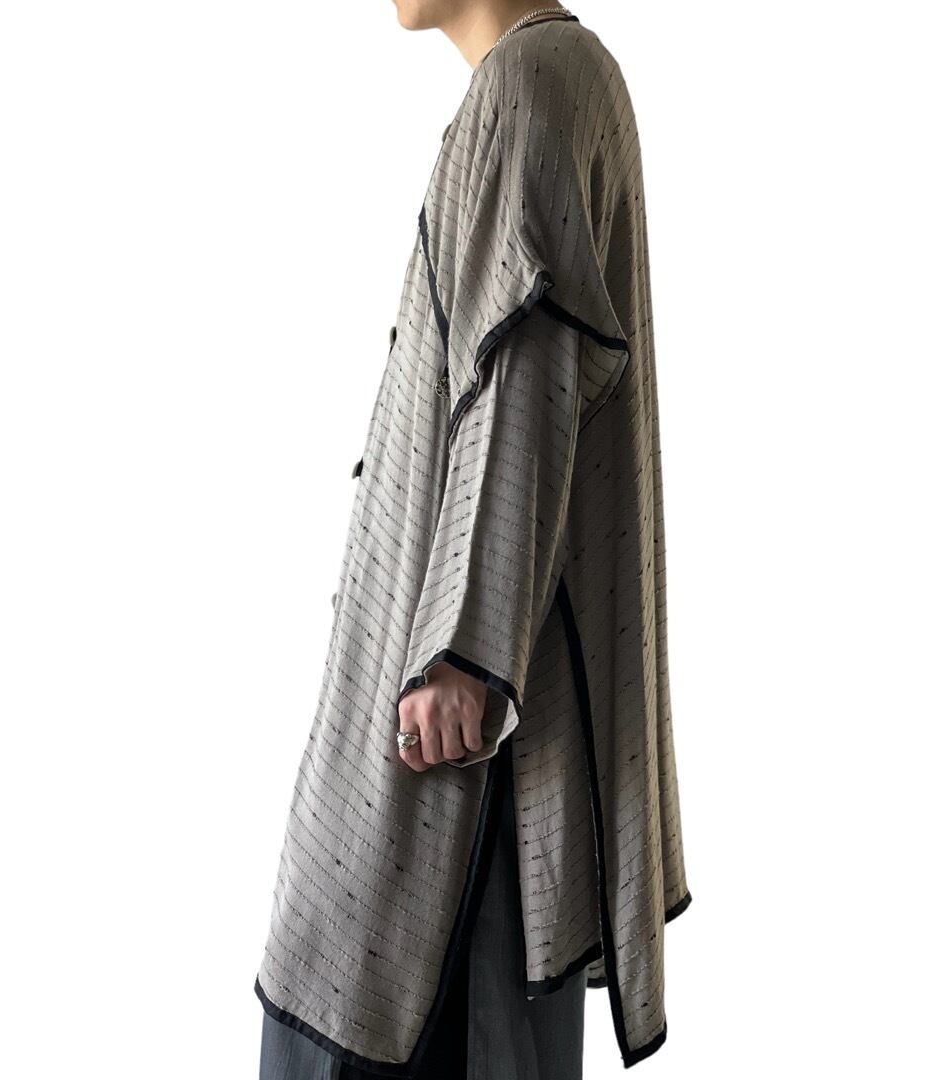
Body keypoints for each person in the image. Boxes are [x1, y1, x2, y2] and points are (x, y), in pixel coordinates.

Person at [255, 3, 692, 1077]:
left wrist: (464, 655)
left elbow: (525, 370)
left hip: (464, 724)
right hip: (479, 693)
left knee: (382, 1014)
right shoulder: (557, 77)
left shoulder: (530, 84)